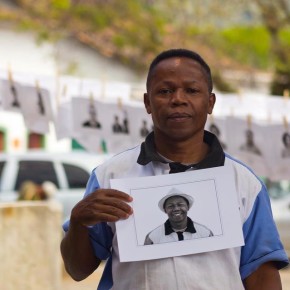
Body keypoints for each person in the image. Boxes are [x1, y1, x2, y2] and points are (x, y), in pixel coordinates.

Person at [60, 49, 289, 290]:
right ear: (148, 103)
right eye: (165, 91)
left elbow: (263, 277)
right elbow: (77, 271)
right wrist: (78, 223)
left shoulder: (243, 183)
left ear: (210, 103)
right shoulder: (111, 176)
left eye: (191, 90)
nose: (178, 99)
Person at [144, 187, 213, 245]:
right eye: (170, 206)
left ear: (188, 207)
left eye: (180, 204)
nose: (176, 209)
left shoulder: (205, 233)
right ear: (165, 210)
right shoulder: (152, 237)